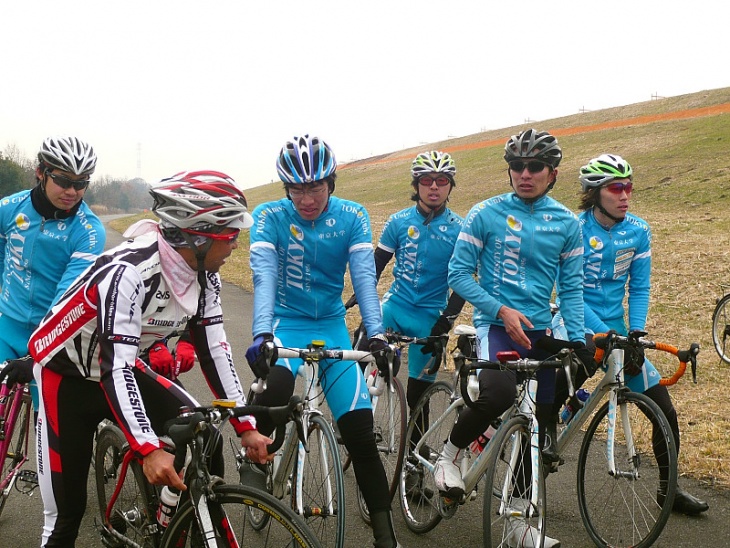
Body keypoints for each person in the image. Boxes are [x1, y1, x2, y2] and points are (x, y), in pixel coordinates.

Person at [21, 170, 272, 547]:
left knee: (207, 439)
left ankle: (178, 522)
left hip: (118, 367)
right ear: (198, 236)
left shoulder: (206, 275)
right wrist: (148, 447)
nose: (236, 245)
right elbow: (117, 366)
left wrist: (245, 424)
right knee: (65, 517)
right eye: (231, 235)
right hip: (66, 377)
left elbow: (215, 350)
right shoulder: (128, 272)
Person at [435, 129, 594, 548]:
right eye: (517, 167)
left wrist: (575, 342)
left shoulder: (566, 223)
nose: (525, 174)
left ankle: (520, 523)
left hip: (540, 331)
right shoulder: (484, 213)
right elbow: (457, 274)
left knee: (538, 427)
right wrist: (501, 310)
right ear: (509, 172)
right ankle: (448, 453)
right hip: (493, 325)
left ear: (552, 173)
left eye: (535, 167)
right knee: (499, 394)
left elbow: (573, 289)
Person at [245, 134, 401, 548]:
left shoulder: (353, 215)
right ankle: (258, 459)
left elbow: (366, 279)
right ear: (286, 189)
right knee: (276, 388)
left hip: (331, 323)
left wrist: (378, 336)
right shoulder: (270, 215)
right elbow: (264, 277)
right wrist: (262, 334)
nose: (306, 198)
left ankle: (386, 538)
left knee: (361, 434)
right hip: (285, 322)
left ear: (331, 183)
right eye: (297, 188)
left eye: (315, 187)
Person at [551, 153, 708, 515]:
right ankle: (542, 432)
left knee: (663, 409)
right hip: (576, 319)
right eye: (616, 188)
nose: (625, 195)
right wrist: (601, 334)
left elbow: (639, 287)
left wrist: (635, 332)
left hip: (618, 327)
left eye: (628, 187)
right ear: (594, 193)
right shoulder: (574, 230)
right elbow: (568, 290)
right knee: (568, 373)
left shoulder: (638, 230)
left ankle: (670, 491)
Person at [350, 151, 465, 481]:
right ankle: (354, 419)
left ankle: (413, 465)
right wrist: (361, 294)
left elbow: (463, 279)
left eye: (441, 181)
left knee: (419, 398)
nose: (433, 187)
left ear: (449, 187)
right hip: (395, 308)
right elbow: (376, 264)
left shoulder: (459, 228)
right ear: (416, 185)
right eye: (426, 180)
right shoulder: (399, 222)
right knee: (357, 353)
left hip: (430, 318)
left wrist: (446, 322)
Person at [0, 136, 105, 411]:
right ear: (41, 172)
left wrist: (38, 353)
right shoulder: (9, 208)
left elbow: (69, 297)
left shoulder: (89, 231)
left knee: (49, 428)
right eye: (63, 180)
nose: (72, 191)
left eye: (81, 183)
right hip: (7, 325)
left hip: (52, 335)